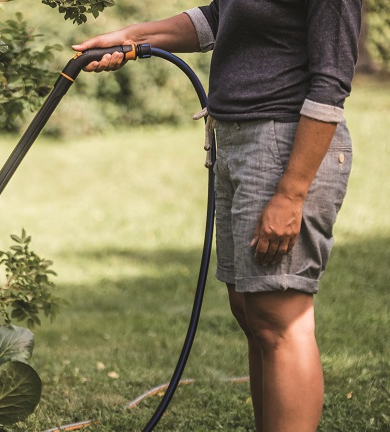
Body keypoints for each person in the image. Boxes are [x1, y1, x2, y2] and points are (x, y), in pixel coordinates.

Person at [72, 2, 362, 431]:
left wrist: (291, 192)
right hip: (235, 141)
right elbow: (217, 18)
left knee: (281, 320)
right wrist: (132, 36)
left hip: (284, 146)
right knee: (253, 315)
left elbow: (331, 81)